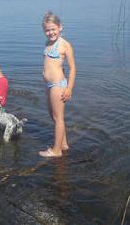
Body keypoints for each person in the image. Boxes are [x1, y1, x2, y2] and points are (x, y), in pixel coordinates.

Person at [39, 11, 76, 158]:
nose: (50, 32)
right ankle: (64, 144)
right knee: (54, 116)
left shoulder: (64, 45)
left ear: (60, 27)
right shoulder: (48, 43)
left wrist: (69, 88)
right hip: (49, 86)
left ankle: (56, 151)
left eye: (53, 29)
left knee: (58, 117)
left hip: (58, 85)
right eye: (47, 30)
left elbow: (73, 68)